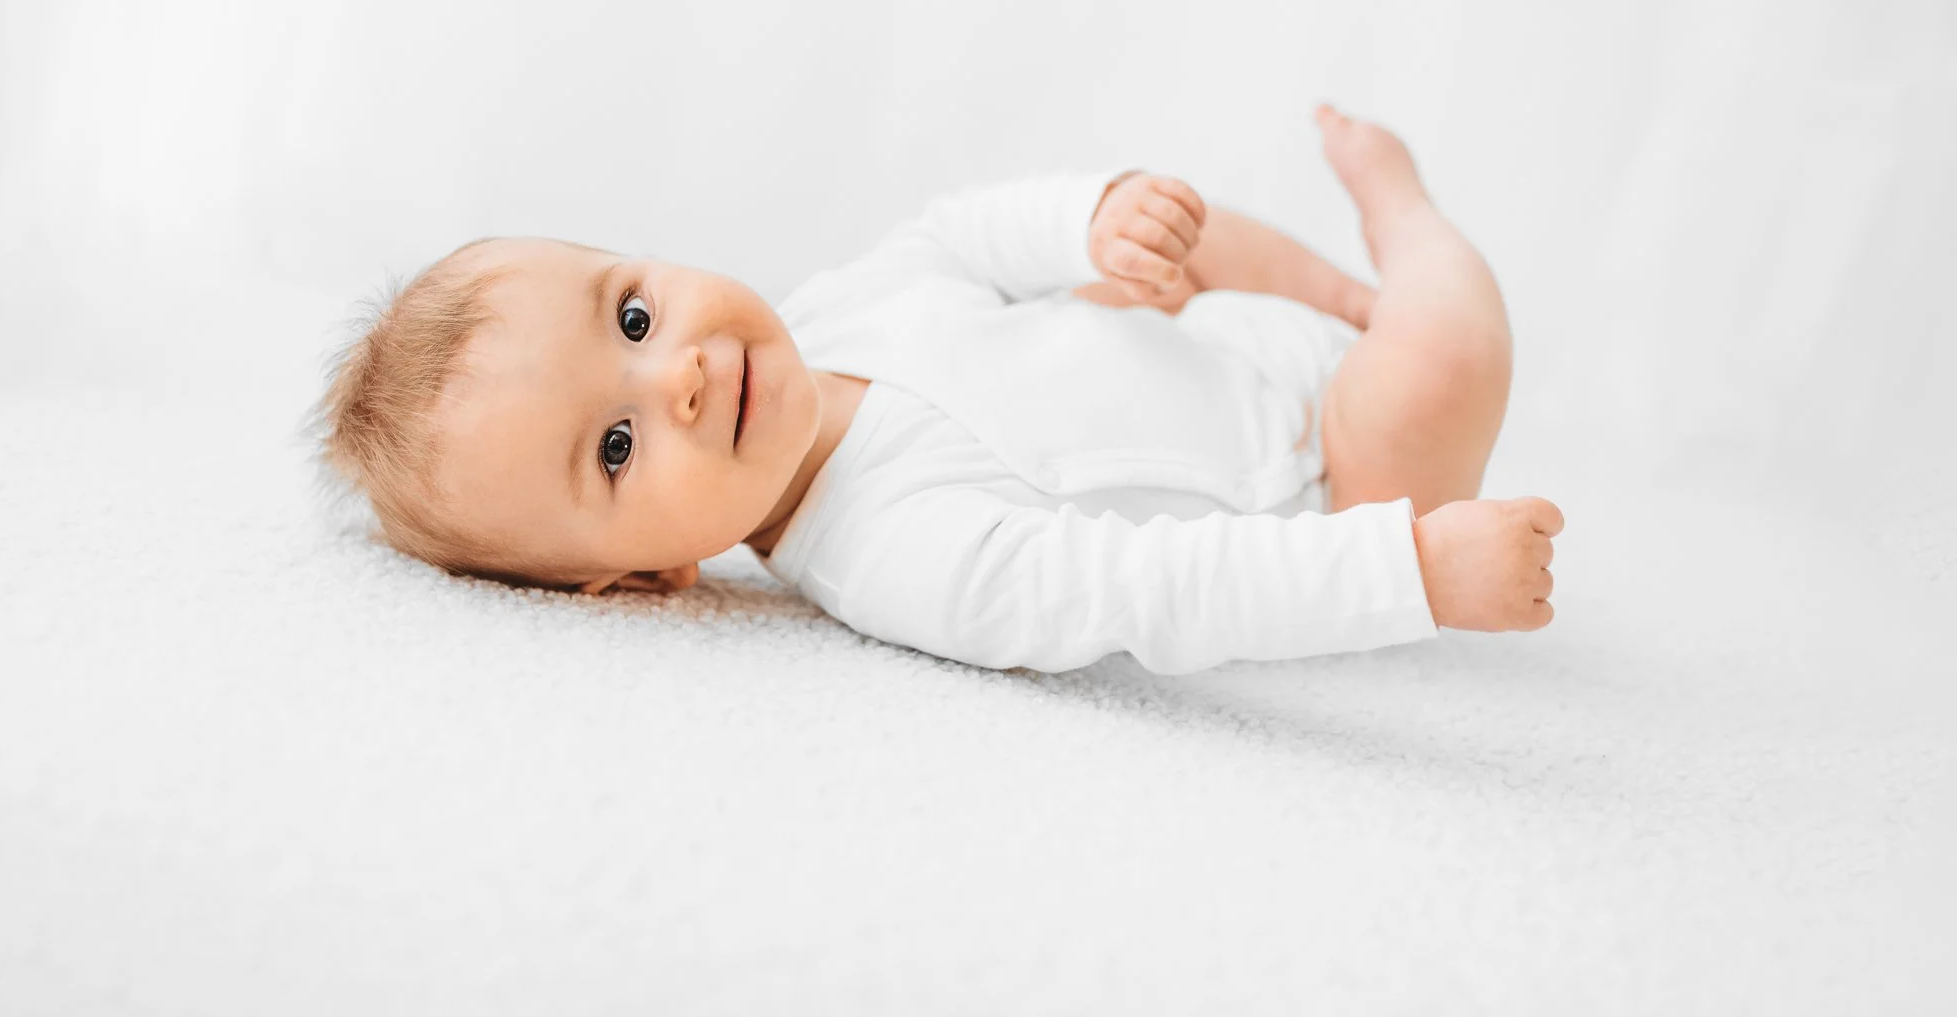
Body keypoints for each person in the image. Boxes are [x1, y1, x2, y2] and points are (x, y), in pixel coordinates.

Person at [316, 105, 1561, 674]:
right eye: (618, 451)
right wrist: (1412, 572)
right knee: (1439, 363)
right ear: (648, 580)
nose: (679, 378)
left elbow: (958, 236)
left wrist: (1091, 221)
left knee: (1158, 249)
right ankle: (1402, 235)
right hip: (1324, 473)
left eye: (633, 318)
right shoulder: (898, 557)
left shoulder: (832, 308)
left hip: (1223, 343)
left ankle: (1333, 296)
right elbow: (1157, 592)